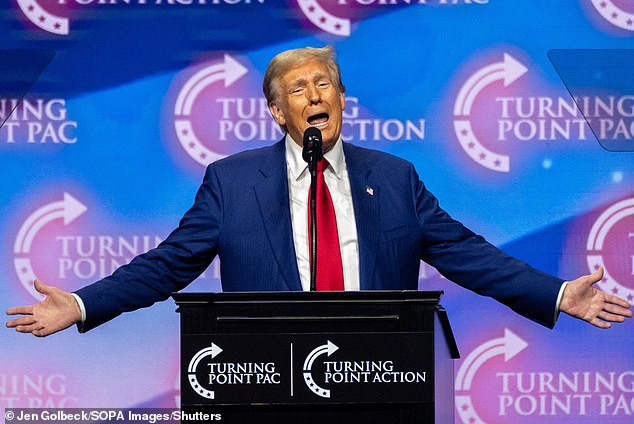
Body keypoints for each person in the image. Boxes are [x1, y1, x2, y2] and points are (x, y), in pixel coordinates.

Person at [6, 46, 632, 336]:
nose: (315, 96)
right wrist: (84, 305)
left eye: (324, 84)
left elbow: (466, 254)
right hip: (261, 376)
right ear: (277, 113)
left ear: (341, 99)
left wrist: (554, 294)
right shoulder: (230, 182)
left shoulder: (393, 177)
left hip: (380, 374)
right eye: (299, 89)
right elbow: (168, 265)